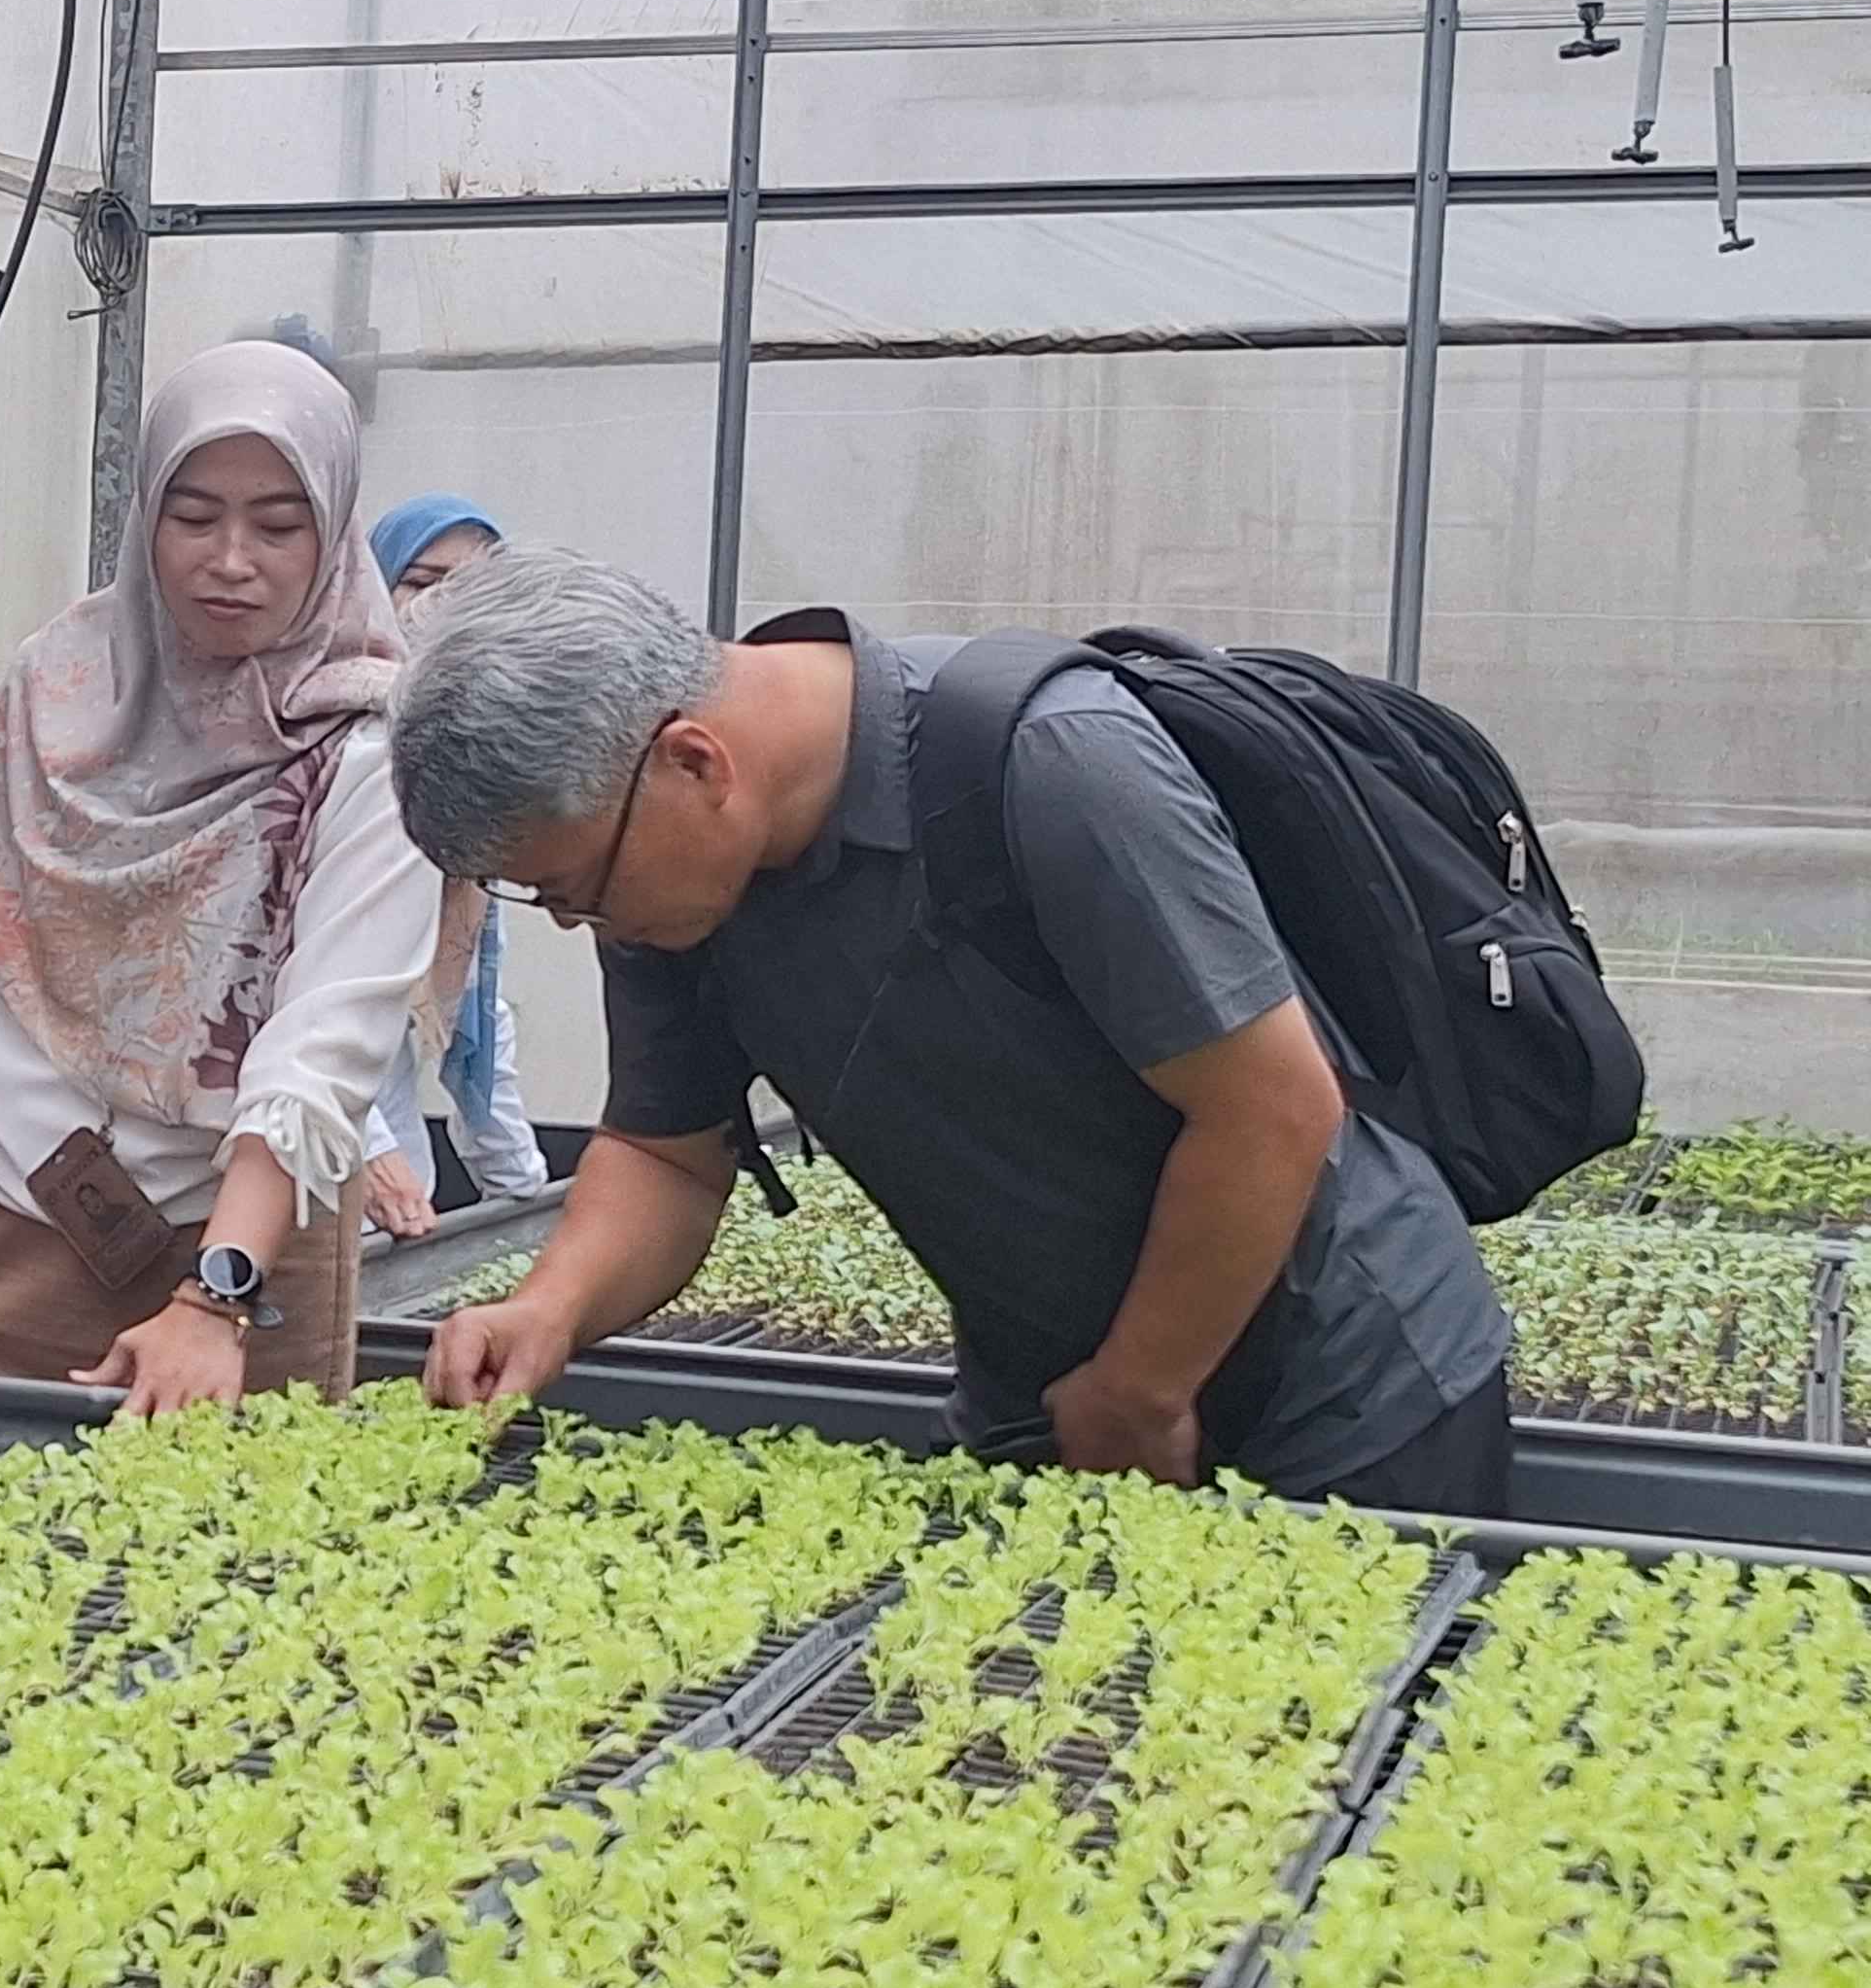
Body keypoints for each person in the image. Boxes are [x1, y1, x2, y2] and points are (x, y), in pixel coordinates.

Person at [397, 548, 1519, 1511]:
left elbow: (1270, 1109)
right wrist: (548, 1310)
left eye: (574, 888)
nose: (578, 921)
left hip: (1346, 1387)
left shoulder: (1049, 763)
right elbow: (667, 1157)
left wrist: (1143, 1385)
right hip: (1061, 1390)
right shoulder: (666, 874)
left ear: (696, 762)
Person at [0, 342, 442, 1411]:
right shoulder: (60, 685)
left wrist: (217, 1296)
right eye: (194, 515)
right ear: (146, 518)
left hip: (248, 1253)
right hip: (11, 1212)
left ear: (334, 530)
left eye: (279, 525)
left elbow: (327, 1042)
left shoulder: (370, 745)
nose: (231, 560)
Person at [359, 496, 552, 1238]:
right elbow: (272, 987)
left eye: (474, 586)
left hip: (398, 1207)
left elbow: (471, 990)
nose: (446, 606)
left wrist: (526, 1197)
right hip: (291, 1178)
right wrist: (364, 1147)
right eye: (422, 581)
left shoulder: (468, 752)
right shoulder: (335, 746)